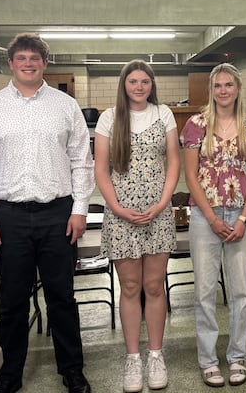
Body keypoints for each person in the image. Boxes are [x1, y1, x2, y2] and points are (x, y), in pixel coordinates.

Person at [0, 33, 95, 393]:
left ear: (45, 64)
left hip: (58, 214)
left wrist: (80, 210)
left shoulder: (65, 105)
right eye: (21, 58)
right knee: (11, 302)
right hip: (9, 217)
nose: (28, 63)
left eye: (34, 58)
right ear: (10, 63)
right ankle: (8, 375)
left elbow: (81, 162)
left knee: (63, 298)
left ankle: (72, 370)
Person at [93, 60, 180, 393]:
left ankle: (156, 355)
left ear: (152, 85)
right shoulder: (108, 118)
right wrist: (117, 208)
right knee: (130, 287)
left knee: (154, 286)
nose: (139, 87)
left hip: (158, 213)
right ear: (124, 85)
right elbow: (101, 168)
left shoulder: (164, 114)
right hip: (121, 215)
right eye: (133, 81)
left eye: (145, 81)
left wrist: (162, 202)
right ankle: (133, 358)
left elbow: (173, 160)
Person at [182, 63, 246, 388]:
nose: (223, 91)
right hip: (206, 216)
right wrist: (213, 218)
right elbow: (190, 177)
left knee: (241, 291)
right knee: (204, 292)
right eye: (218, 85)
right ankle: (208, 360)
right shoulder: (196, 125)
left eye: (229, 85)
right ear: (211, 90)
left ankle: (237, 357)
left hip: (241, 215)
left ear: (238, 88)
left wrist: (244, 218)